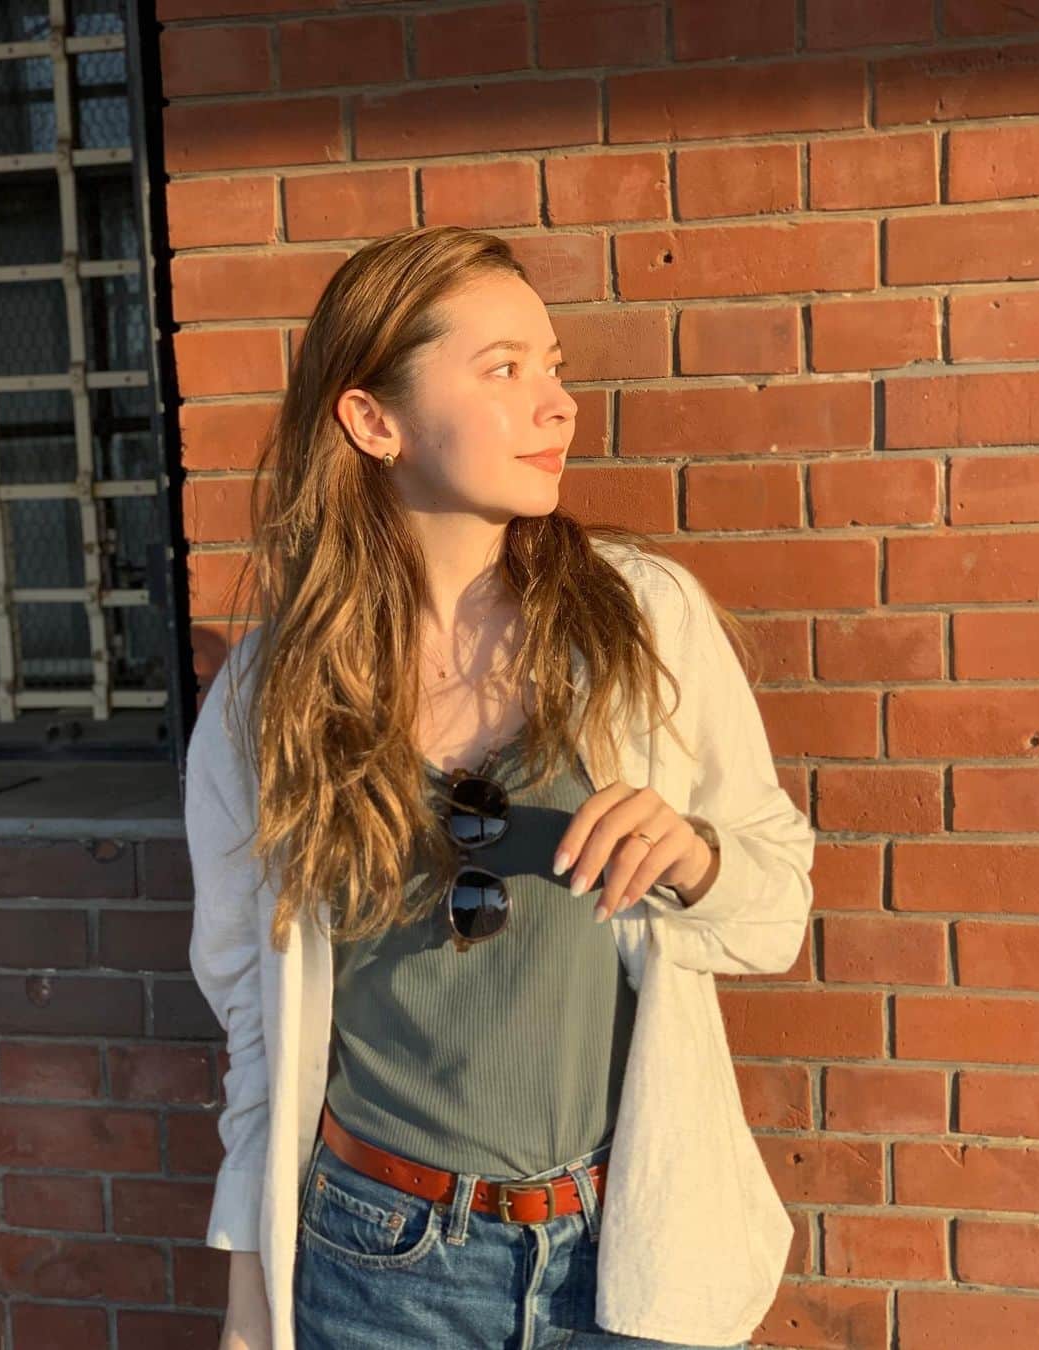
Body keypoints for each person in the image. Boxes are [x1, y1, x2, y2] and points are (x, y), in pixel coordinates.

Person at [185, 225, 816, 1350]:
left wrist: (696, 859)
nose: (557, 404)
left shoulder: (640, 619)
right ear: (373, 421)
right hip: (375, 1265)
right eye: (504, 368)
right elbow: (254, 1017)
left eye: (553, 367)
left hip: (624, 1258)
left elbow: (777, 911)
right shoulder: (273, 693)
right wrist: (249, 1295)